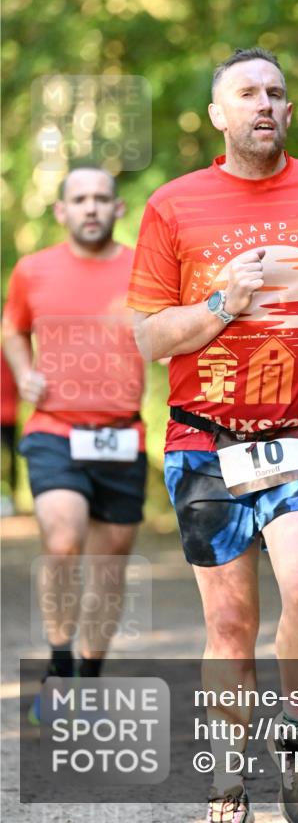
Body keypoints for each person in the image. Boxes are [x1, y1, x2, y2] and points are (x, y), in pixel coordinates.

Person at [128, 47, 298, 823]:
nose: (264, 104)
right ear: (218, 114)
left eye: (276, 93)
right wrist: (219, 306)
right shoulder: (174, 206)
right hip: (205, 441)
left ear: (289, 111)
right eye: (246, 93)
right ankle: (228, 777)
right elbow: (148, 338)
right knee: (230, 624)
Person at [2, 167, 147, 723]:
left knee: (110, 565)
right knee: (62, 540)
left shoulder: (144, 268)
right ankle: (59, 664)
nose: (91, 207)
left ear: (118, 208)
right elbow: (12, 328)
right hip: (54, 429)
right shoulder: (32, 270)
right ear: (61, 211)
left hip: (121, 433)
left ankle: (88, 677)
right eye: (80, 199)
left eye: (102, 198)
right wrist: (24, 371)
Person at [1, 348, 19, 515]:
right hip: (10, 414)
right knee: (10, 458)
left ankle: (9, 498)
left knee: (9, 458)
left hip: (8, 415)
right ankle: (10, 498)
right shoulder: (11, 353)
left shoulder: (9, 354)